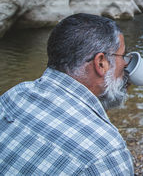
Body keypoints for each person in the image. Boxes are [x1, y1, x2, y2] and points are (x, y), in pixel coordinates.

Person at [0, 13, 135, 175]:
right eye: (122, 56)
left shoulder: (15, 95)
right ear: (101, 63)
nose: (126, 63)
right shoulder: (106, 153)